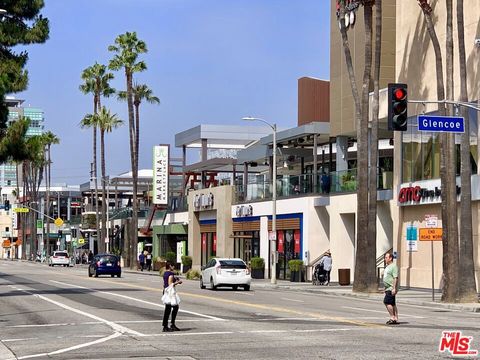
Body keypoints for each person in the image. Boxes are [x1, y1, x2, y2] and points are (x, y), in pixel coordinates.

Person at [162, 262, 182, 332]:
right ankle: (171, 325)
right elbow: (170, 284)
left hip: (166, 291)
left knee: (168, 309)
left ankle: (165, 325)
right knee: (175, 307)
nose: (174, 267)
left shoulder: (165, 273)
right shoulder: (170, 274)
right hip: (170, 293)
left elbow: (166, 283)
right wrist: (178, 282)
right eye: (173, 265)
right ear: (170, 266)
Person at [383, 252, 399, 325]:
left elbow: (395, 278)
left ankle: (392, 317)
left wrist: (394, 288)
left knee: (387, 302)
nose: (385, 259)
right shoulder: (388, 266)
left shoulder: (393, 266)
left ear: (390, 258)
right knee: (392, 303)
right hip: (387, 288)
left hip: (391, 288)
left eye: (386, 257)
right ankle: (395, 318)